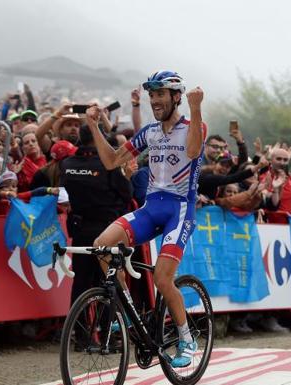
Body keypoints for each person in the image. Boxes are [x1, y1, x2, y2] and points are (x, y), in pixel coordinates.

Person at [84, 71, 205, 368]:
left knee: (163, 279)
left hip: (179, 211)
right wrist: (94, 125)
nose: (155, 100)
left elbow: (192, 150)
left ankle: (187, 338)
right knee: (102, 246)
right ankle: (128, 318)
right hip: (151, 207)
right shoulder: (149, 131)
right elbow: (112, 160)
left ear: (176, 96)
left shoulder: (194, 125)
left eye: (160, 94)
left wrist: (196, 106)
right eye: (152, 95)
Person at [59, 126, 132, 311]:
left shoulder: (67, 164)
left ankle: (79, 334)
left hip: (80, 229)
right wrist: (128, 176)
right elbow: (127, 194)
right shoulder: (108, 165)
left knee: (81, 284)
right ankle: (113, 333)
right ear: (101, 138)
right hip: (107, 230)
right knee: (110, 281)